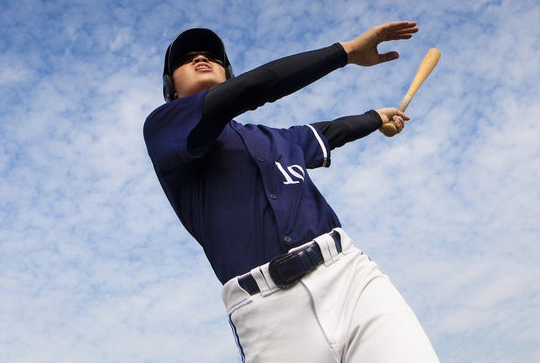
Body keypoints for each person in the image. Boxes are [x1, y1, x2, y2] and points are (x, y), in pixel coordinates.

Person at [143, 21, 440, 363]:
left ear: (227, 73)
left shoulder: (277, 140)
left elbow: (328, 132)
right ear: (172, 90)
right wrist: (344, 53)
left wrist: (374, 117)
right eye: (187, 58)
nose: (201, 59)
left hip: (349, 278)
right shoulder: (163, 130)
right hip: (268, 313)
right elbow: (255, 88)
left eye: (212, 56)